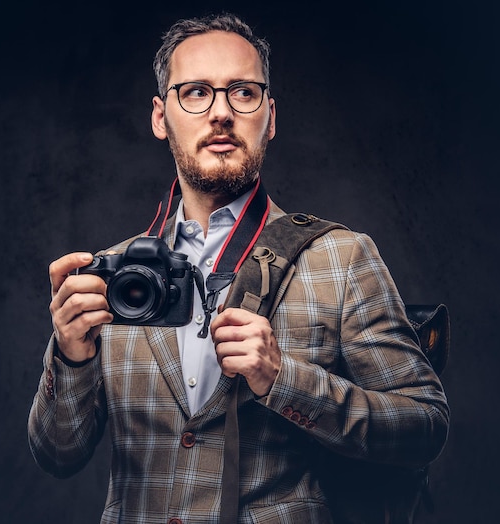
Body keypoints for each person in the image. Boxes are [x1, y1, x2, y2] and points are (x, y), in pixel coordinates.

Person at [28, 12, 449, 524]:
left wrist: (282, 378)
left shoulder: (340, 257)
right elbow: (56, 455)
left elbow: (424, 425)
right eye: (196, 92)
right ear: (161, 117)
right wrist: (70, 356)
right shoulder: (114, 283)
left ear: (270, 117)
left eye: (243, 93)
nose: (221, 113)